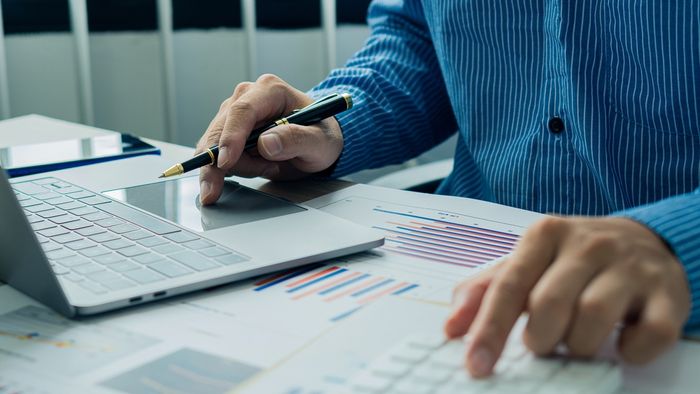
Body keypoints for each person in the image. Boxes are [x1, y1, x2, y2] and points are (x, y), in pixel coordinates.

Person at [195, 0, 700, 378]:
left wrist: (674, 240)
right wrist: (333, 127)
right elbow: (418, 38)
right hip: (456, 276)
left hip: (663, 321)